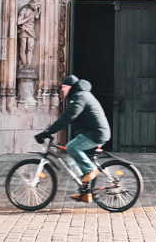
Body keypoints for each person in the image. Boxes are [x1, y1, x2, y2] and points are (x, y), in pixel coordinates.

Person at [35, 75, 111, 203]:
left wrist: (48, 131)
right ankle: (86, 192)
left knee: (71, 147)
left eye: (64, 87)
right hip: (94, 132)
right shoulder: (80, 95)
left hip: (96, 133)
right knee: (72, 159)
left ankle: (91, 170)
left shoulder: (79, 96)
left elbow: (68, 117)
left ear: (71, 86)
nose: (63, 91)